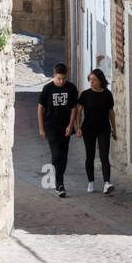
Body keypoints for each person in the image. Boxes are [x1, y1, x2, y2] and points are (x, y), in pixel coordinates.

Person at [38, 62, 79, 198]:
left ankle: (59, 181)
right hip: (51, 126)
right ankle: (59, 183)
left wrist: (71, 125)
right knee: (56, 154)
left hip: (65, 126)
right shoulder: (47, 89)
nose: (61, 81)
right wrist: (41, 128)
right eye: (59, 78)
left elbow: (74, 108)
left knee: (64, 155)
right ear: (54, 75)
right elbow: (40, 108)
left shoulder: (71, 88)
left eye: (63, 78)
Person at [77, 68, 116, 195]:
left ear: (100, 80)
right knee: (90, 156)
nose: (91, 82)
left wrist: (114, 129)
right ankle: (91, 182)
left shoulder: (107, 94)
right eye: (90, 80)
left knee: (104, 156)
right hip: (88, 129)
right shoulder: (85, 94)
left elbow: (111, 113)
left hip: (104, 129)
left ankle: (106, 183)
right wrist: (77, 128)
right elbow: (79, 111)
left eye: (94, 80)